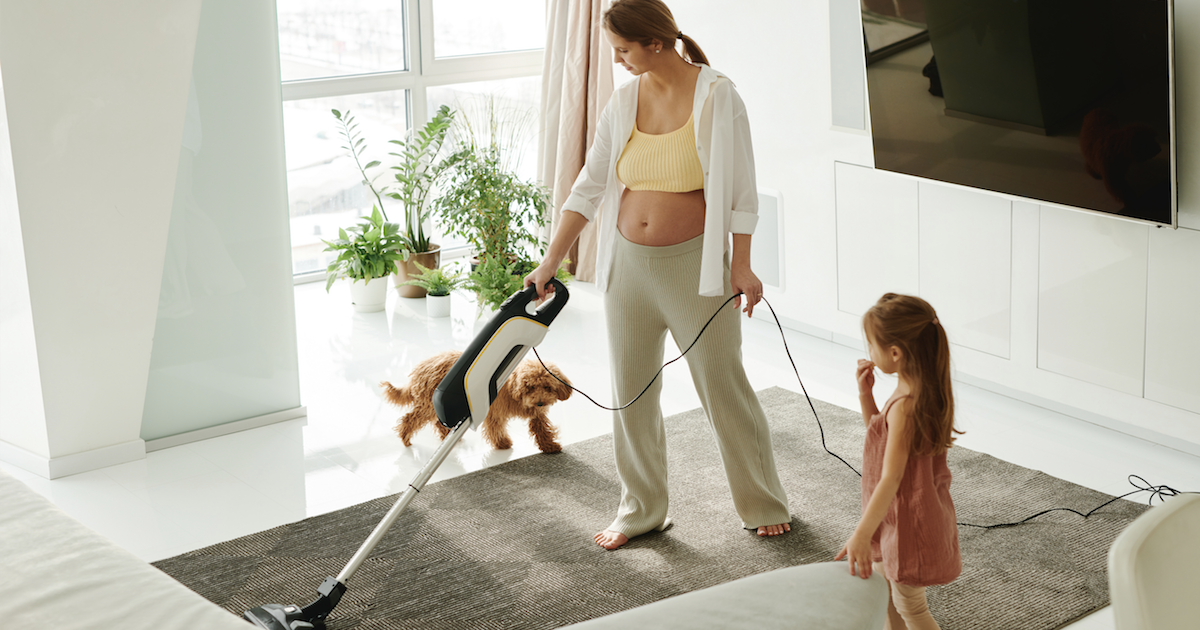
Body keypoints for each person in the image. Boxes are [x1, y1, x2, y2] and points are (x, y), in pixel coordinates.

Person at [523, 0, 791, 550]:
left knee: (723, 387)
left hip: (697, 270)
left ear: (656, 43)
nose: (618, 61)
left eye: (623, 50)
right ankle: (642, 509)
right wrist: (552, 260)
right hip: (629, 269)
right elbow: (588, 185)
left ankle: (763, 500)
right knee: (633, 391)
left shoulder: (718, 97)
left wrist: (741, 265)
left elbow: (741, 191)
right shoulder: (624, 102)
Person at [835, 293, 963, 629]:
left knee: (911, 607)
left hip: (906, 523)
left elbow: (891, 477)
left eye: (872, 345)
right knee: (886, 598)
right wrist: (867, 396)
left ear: (895, 353)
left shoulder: (907, 404)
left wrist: (861, 534)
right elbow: (880, 438)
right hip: (895, 518)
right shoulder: (915, 388)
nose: (869, 353)